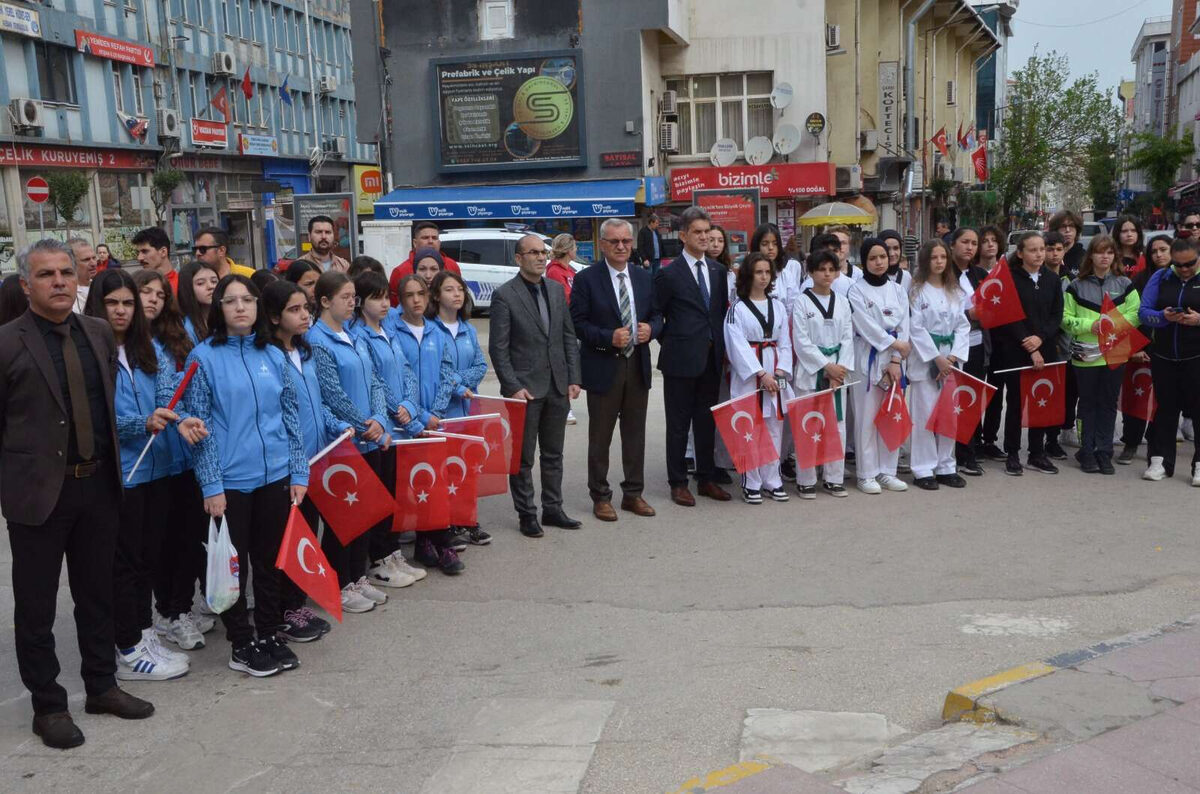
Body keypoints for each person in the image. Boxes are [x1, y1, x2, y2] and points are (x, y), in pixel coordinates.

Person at [0, 239, 154, 749]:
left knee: (97, 595)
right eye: (47, 275)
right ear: (26, 285)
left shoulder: (98, 333)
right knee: (37, 606)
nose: (61, 281)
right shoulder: (6, 344)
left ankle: (101, 686)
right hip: (38, 497)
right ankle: (48, 705)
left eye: (67, 272)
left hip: (99, 488)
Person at [186, 274, 309, 677]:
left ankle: (271, 631)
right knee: (233, 567)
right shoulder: (203, 358)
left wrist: (298, 470)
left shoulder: (272, 355)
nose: (240, 307)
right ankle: (241, 641)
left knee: (271, 561)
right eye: (230, 301)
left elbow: (291, 416)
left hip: (275, 477)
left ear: (258, 308)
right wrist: (211, 484)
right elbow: (200, 426)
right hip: (231, 482)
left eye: (247, 300)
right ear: (218, 310)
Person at [84, 271, 190, 682]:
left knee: (149, 557)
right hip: (121, 473)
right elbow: (100, 418)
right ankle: (127, 646)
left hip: (158, 467)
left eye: (128, 303)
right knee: (124, 563)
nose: (123, 311)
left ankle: (142, 635)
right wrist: (140, 424)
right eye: (113, 303)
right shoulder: (90, 351)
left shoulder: (150, 349)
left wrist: (171, 416)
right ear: (98, 305)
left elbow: (167, 393)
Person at [262, 279, 359, 641]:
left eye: (306, 308)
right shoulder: (268, 356)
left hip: (316, 459)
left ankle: (295, 603)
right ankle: (281, 612)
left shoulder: (305, 352)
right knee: (285, 541)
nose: (305, 315)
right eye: (294, 310)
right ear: (273, 317)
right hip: (288, 465)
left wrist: (338, 426)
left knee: (309, 533)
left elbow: (315, 405)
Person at [308, 271, 416, 594]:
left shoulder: (353, 335)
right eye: (345, 297)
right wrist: (365, 424)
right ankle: (340, 582)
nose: (352, 303)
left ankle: (358, 576)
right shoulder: (318, 340)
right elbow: (333, 393)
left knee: (366, 514)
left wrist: (380, 419)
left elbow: (374, 383)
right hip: (347, 442)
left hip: (371, 437)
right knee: (347, 518)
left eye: (354, 297)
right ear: (325, 301)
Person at [133, 270, 214, 651]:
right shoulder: (117, 345)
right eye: (143, 292)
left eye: (159, 294)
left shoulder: (173, 340)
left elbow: (175, 394)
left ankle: (178, 608)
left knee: (186, 538)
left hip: (182, 456)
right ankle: (165, 613)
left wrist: (182, 418)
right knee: (156, 544)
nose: (151, 300)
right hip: (144, 461)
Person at [488, 234, 582, 537]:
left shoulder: (555, 290)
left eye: (543, 252)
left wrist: (573, 377)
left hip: (557, 384)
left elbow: (568, 336)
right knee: (523, 457)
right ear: (518, 258)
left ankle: (553, 508)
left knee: (554, 454)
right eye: (533, 253)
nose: (541, 257)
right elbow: (498, 349)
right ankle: (527, 513)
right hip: (524, 390)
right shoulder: (505, 295)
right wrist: (512, 386)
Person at [569, 218, 662, 521]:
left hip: (637, 363)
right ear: (602, 244)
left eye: (626, 241)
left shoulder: (644, 276)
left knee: (635, 434)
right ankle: (601, 496)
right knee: (600, 437)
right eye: (614, 242)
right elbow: (578, 324)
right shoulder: (586, 279)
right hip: (603, 365)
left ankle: (633, 494)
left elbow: (660, 314)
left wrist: (653, 328)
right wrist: (607, 337)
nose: (621, 246)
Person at [350, 271, 444, 570]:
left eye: (385, 298)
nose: (384, 305)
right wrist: (397, 407)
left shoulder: (387, 331)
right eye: (375, 298)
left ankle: (390, 553)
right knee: (376, 499)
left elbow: (406, 372)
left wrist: (408, 404)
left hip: (399, 426)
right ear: (359, 302)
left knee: (391, 494)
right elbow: (376, 380)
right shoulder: (360, 336)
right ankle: (379, 558)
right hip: (381, 427)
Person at [654, 207, 731, 506]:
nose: (704, 237)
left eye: (707, 231)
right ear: (683, 235)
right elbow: (657, 315)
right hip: (680, 361)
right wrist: (675, 343)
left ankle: (706, 478)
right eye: (697, 232)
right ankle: (678, 482)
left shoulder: (717, 271)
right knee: (678, 424)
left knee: (705, 422)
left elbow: (719, 313)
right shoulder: (668, 274)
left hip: (712, 360)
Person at [388, 275, 467, 565]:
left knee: (433, 484)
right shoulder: (392, 330)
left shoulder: (435, 331)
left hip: (434, 419)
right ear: (400, 300)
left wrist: (436, 413)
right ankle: (433, 543)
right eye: (409, 295)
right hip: (405, 421)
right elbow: (397, 376)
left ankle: (430, 543)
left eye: (421, 293)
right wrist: (419, 416)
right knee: (414, 485)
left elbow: (447, 374)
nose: (416, 300)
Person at [1061, 235, 1139, 475]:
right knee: (1087, 404)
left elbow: (1136, 314)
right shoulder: (1076, 285)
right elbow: (1064, 318)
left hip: (1116, 353)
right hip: (1086, 355)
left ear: (1115, 256)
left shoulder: (1125, 284)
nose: (1104, 257)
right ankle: (1087, 451)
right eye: (1099, 252)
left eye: (1109, 252)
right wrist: (1090, 326)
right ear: (1091, 256)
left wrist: (1114, 325)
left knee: (1107, 403)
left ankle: (1104, 452)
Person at [992, 231, 1064, 476]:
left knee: (1040, 403)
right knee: (1015, 402)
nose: (1039, 254)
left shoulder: (1053, 280)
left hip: (1045, 348)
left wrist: (1040, 338)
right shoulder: (1010, 279)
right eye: (1033, 250)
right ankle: (1012, 452)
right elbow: (1009, 315)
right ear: (1020, 253)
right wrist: (1028, 343)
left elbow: (1056, 315)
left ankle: (1037, 453)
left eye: (1042, 249)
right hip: (1016, 349)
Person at [724, 252, 793, 504]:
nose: (764, 277)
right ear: (748, 276)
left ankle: (772, 480)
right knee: (748, 428)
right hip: (751, 374)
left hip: (775, 371)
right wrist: (761, 373)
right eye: (758, 272)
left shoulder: (777, 306)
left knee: (774, 428)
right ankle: (751, 481)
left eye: (767, 272)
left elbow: (785, 341)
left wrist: (781, 371)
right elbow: (736, 345)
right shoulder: (737, 309)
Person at [848, 237, 911, 494]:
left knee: (891, 414)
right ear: (864, 261)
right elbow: (865, 326)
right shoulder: (856, 290)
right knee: (866, 417)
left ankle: (888, 471)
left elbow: (904, 325)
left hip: (894, 360)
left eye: (882, 257)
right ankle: (866, 473)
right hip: (867, 357)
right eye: (872, 258)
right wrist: (892, 345)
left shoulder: (898, 290)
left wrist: (896, 359)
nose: (878, 262)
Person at [907, 239, 970, 490]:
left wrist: (953, 356)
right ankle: (923, 469)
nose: (939, 262)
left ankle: (946, 465)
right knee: (925, 414)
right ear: (925, 261)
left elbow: (963, 326)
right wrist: (936, 357)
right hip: (927, 361)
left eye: (943, 257)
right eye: (934, 257)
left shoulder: (955, 291)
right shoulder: (916, 291)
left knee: (949, 415)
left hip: (951, 359)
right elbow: (916, 328)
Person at [1137, 237, 1200, 485]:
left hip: (1196, 355)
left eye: (1190, 264)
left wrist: (1198, 320)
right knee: (1165, 409)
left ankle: (1198, 465)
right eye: (1179, 265)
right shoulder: (1161, 276)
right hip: (1163, 354)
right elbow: (1144, 312)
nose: (1184, 270)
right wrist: (1163, 317)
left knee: (1198, 410)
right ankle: (1160, 461)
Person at [791, 249, 853, 498]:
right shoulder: (801, 301)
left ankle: (834, 477)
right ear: (811, 272)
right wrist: (825, 366)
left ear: (837, 272)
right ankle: (806, 478)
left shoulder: (842, 301)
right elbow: (801, 341)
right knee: (808, 423)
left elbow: (848, 337)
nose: (827, 274)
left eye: (831, 269)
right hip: (811, 371)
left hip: (837, 371)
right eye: (821, 269)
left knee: (837, 425)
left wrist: (839, 369)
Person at [1118, 235, 1172, 464]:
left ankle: (1156, 443)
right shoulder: (1140, 279)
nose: (1159, 255)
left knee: (1164, 400)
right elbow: (1131, 316)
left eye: (1163, 250)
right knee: (1136, 397)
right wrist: (1133, 348)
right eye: (1154, 251)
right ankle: (1130, 443)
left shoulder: (1181, 279)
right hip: (1142, 347)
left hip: (1170, 348)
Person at [948, 228, 988, 476]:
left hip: (975, 343)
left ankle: (968, 451)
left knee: (970, 398)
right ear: (952, 245)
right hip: (949, 346)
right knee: (949, 400)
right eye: (965, 242)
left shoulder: (980, 274)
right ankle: (944, 453)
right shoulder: (942, 273)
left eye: (974, 243)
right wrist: (968, 315)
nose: (970, 247)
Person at [387, 221, 462, 305]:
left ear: (439, 243)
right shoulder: (400, 271)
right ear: (415, 243)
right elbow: (394, 305)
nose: (430, 241)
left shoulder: (452, 265)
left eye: (434, 238)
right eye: (425, 238)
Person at [177, 261, 220, 344]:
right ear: (187, 288)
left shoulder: (228, 318)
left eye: (214, 281)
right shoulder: (184, 328)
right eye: (200, 283)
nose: (210, 286)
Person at [132, 226, 176, 293]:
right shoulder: (138, 286)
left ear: (163, 252)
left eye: (145, 251)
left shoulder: (183, 284)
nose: (139, 258)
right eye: (138, 253)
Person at [1048, 210, 1085, 280]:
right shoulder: (1048, 255)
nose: (1067, 230)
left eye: (1071, 226)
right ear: (1056, 230)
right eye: (1063, 226)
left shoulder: (1084, 257)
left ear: (1077, 229)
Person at [68, 238, 97, 313]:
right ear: (71, 263)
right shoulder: (66, 293)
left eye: (94, 258)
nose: (93, 264)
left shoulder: (100, 285)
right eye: (86, 260)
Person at [546, 233, 577, 303]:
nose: (576, 249)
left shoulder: (569, 270)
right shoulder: (554, 271)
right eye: (575, 246)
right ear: (568, 250)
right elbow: (565, 299)